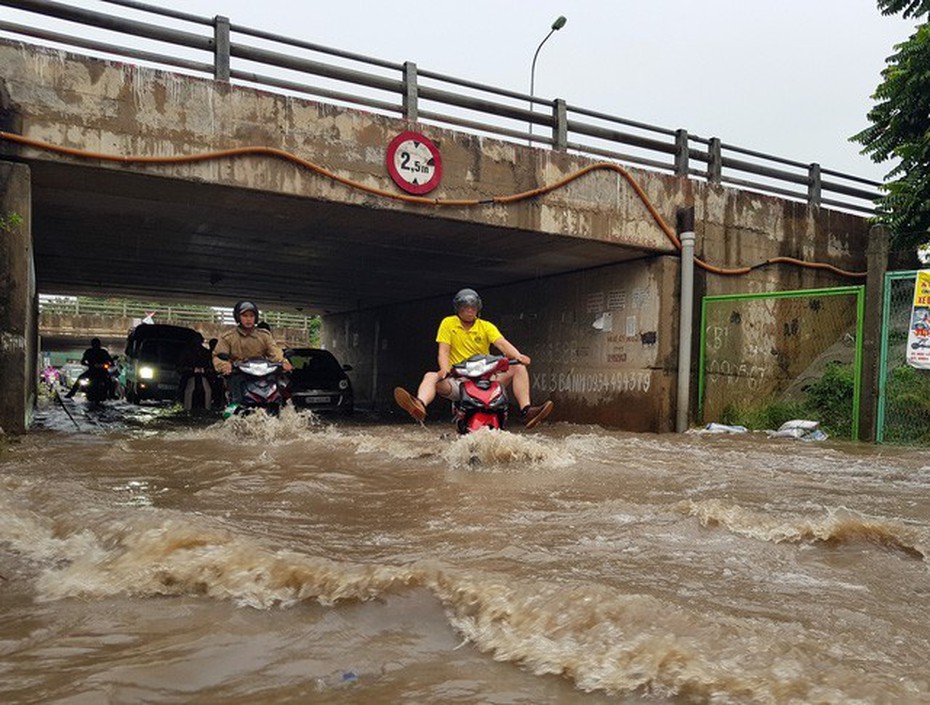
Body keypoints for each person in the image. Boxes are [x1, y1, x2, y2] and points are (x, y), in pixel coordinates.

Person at [393, 288, 554, 429]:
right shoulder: (448, 323)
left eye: (473, 307)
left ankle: (527, 411)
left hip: (487, 379)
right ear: (458, 309)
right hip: (459, 381)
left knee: (519, 367)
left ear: (478, 309)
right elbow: (444, 351)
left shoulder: (486, 326)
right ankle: (419, 405)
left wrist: (518, 356)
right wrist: (444, 370)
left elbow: (502, 344)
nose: (469, 310)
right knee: (431, 376)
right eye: (465, 307)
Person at [213, 300, 292, 405]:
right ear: (238, 317)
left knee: (279, 389)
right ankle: (235, 414)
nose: (248, 319)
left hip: (263, 373)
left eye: (251, 315)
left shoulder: (264, 335)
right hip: (239, 373)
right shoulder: (228, 337)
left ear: (256, 318)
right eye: (245, 316)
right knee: (237, 397)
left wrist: (284, 362)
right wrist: (225, 366)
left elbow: (274, 352)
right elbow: (218, 356)